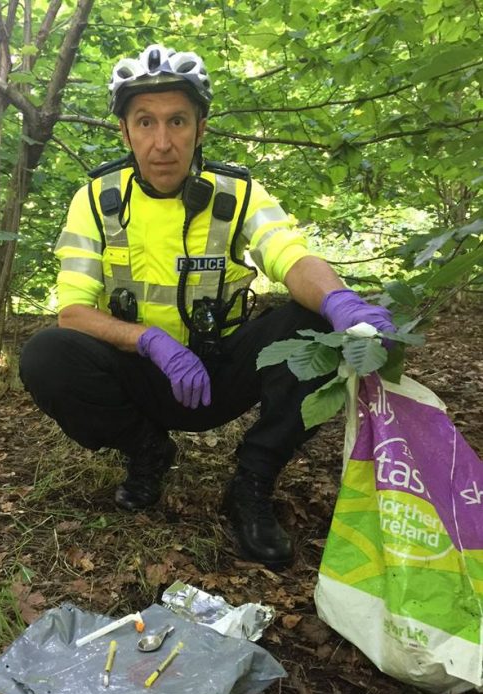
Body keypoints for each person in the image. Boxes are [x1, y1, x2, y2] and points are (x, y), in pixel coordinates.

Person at [20, 44, 395, 571]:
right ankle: (147, 450)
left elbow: (289, 255)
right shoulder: (97, 199)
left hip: (221, 369)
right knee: (47, 354)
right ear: (124, 132)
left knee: (316, 325)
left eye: (178, 121)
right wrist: (151, 341)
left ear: (201, 126)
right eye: (145, 122)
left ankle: (253, 481)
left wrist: (340, 300)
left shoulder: (236, 193)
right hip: (144, 373)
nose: (163, 142)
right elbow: (73, 311)